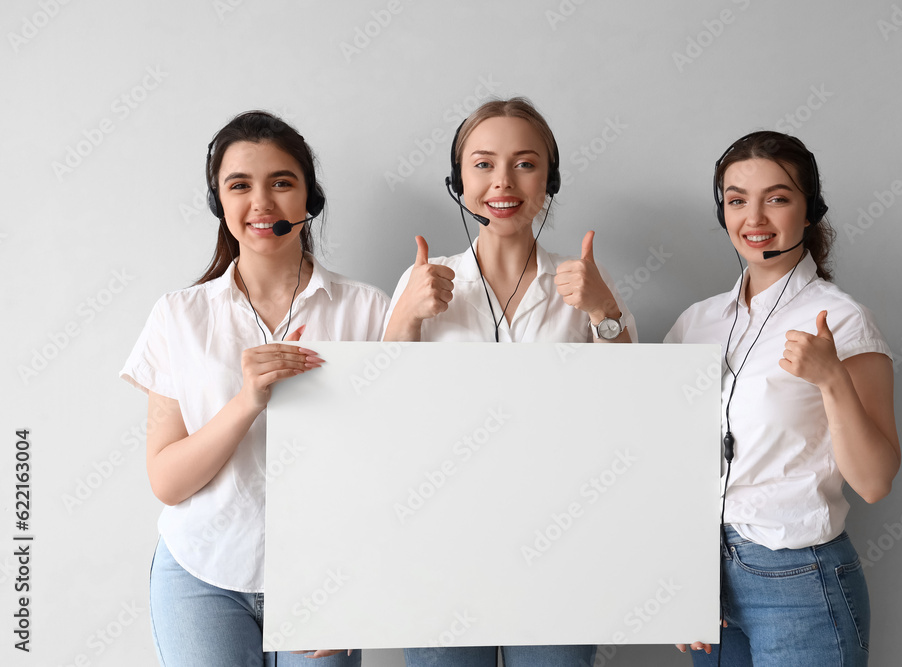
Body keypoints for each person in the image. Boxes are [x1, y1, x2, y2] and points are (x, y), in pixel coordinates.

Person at [121, 110, 387, 666]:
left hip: (321, 575)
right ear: (220, 204)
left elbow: (388, 467)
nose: (261, 203)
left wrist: (356, 583)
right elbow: (167, 481)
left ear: (308, 199)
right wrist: (246, 402)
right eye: (239, 186)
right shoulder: (179, 316)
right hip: (201, 573)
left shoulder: (369, 310)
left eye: (281, 183)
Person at [384, 97, 636, 667]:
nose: (503, 181)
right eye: (482, 164)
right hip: (440, 548)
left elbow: (630, 410)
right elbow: (381, 418)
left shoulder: (584, 283)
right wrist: (406, 316)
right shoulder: (422, 281)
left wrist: (603, 312)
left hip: (556, 548)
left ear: (550, 178)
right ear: (458, 180)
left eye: (524, 164)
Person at [666, 131, 900, 666]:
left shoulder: (841, 320)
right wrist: (677, 578)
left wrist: (832, 378)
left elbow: (875, 480)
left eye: (777, 197)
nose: (755, 218)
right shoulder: (695, 323)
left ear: (809, 210)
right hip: (708, 579)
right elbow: (670, 463)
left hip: (800, 580)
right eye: (736, 199)